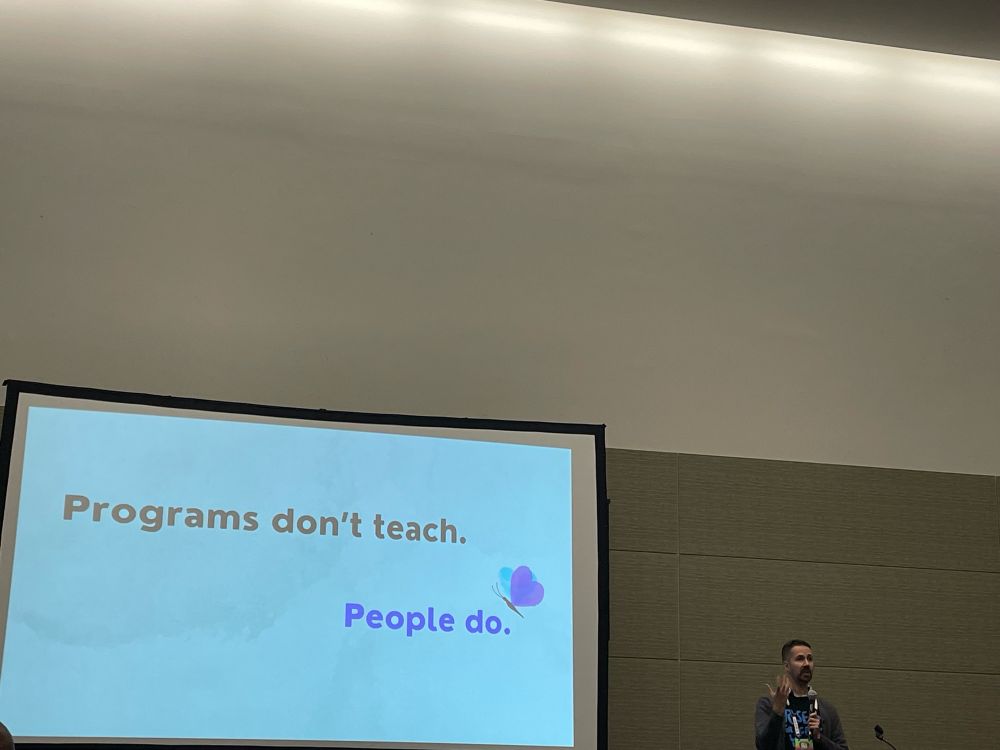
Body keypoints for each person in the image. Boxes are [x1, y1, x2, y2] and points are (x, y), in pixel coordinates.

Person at [755, 639, 849, 750]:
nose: (807, 664)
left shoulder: (826, 709)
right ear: (787, 666)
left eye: (810, 659)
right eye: (800, 659)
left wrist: (819, 738)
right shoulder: (768, 704)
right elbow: (763, 746)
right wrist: (777, 713)